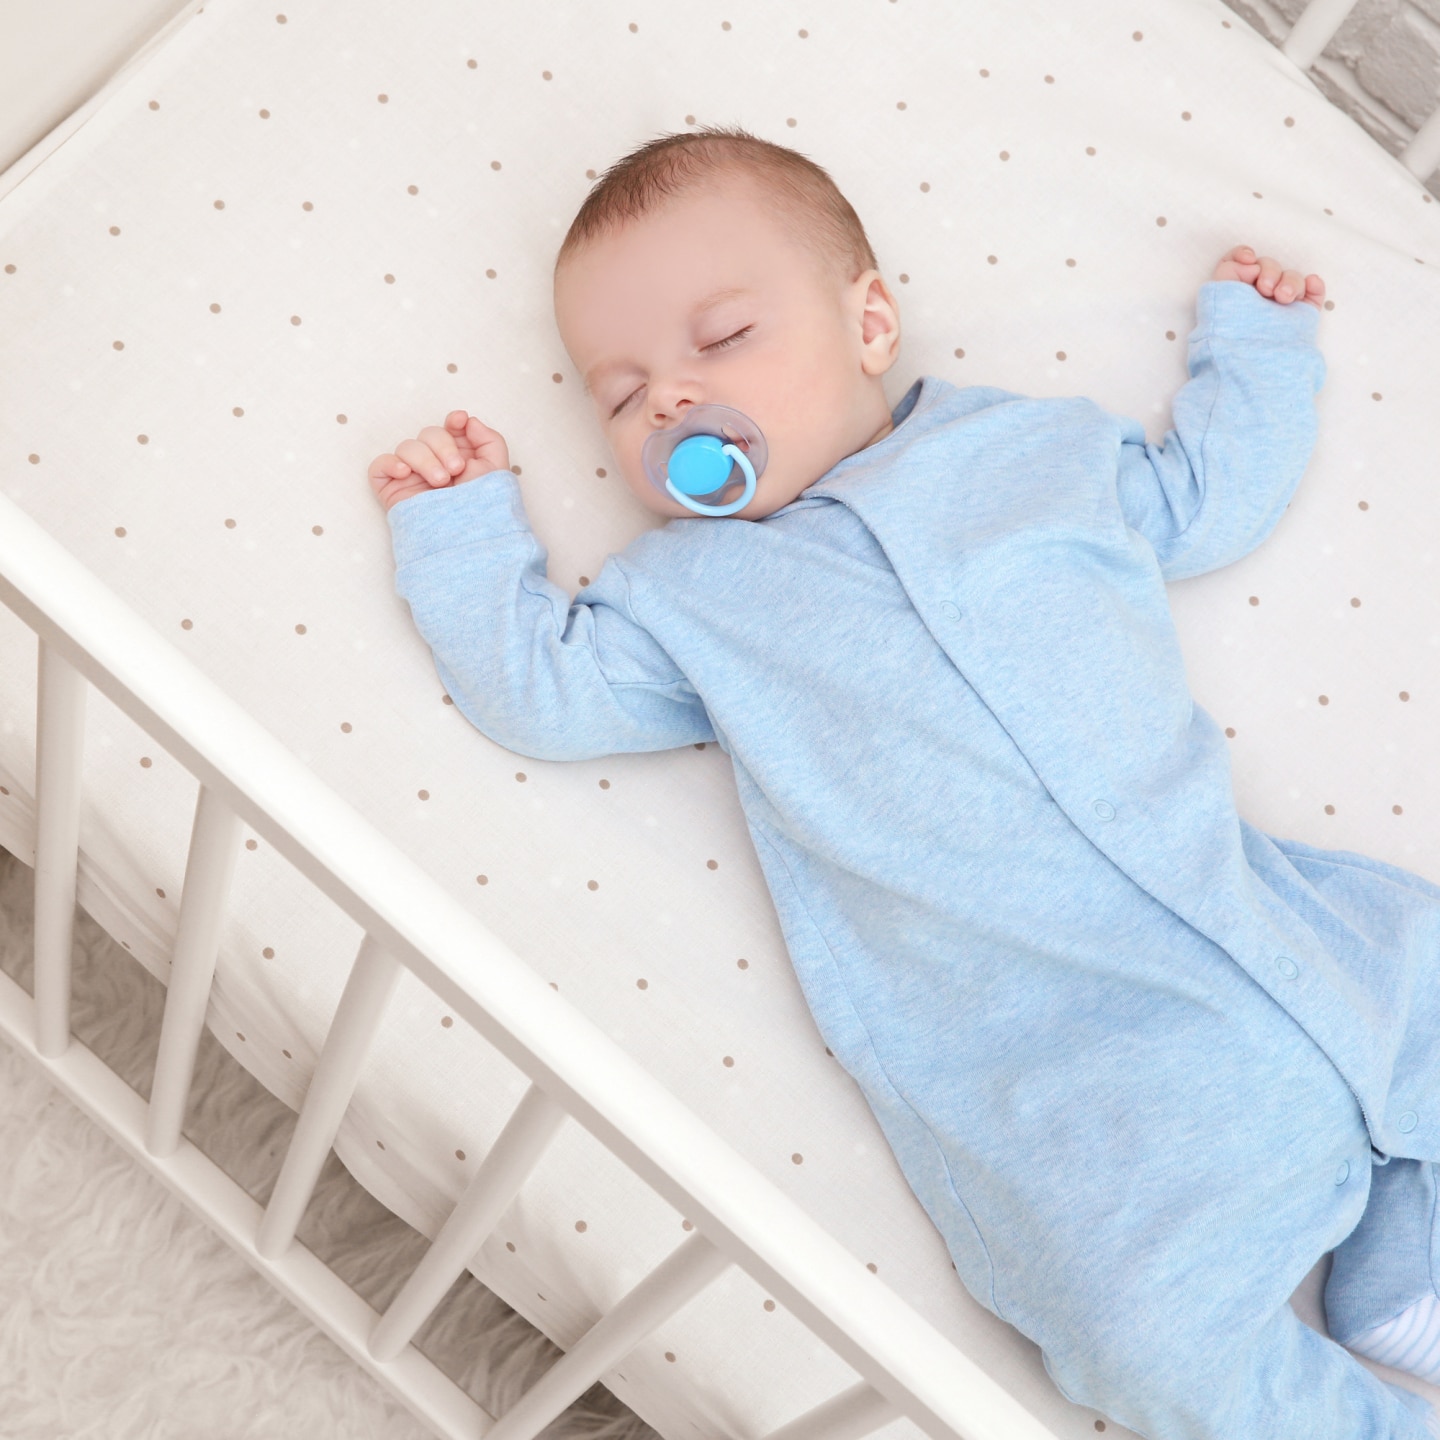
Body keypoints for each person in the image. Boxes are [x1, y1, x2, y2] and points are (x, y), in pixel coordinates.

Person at [367, 125, 1440, 1439]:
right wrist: (460, 531)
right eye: (620, 388)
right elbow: (545, 693)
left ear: (869, 319)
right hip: (1087, 1084)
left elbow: (1208, 497)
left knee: (1427, 974)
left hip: (1288, 931)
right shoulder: (695, 601)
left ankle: (1403, 1251)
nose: (670, 401)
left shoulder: (1033, 455)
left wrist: (1255, 348)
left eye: (721, 338)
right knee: (1136, 1334)